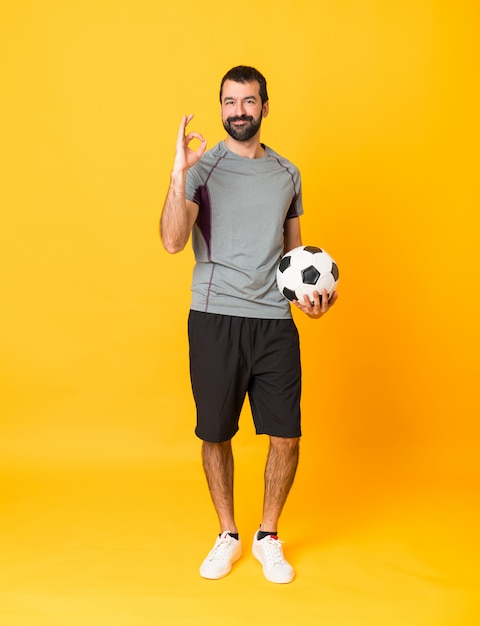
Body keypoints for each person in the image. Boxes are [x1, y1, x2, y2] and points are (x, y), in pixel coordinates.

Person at [160, 65, 337, 584]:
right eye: (230, 102)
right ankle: (227, 534)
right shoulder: (202, 169)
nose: (239, 111)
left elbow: (295, 254)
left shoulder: (288, 173)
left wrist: (310, 299)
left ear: (264, 106)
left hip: (274, 323)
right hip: (214, 318)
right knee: (215, 432)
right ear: (221, 107)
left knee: (286, 436)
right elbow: (173, 241)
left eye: (249, 101)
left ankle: (268, 536)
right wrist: (177, 174)